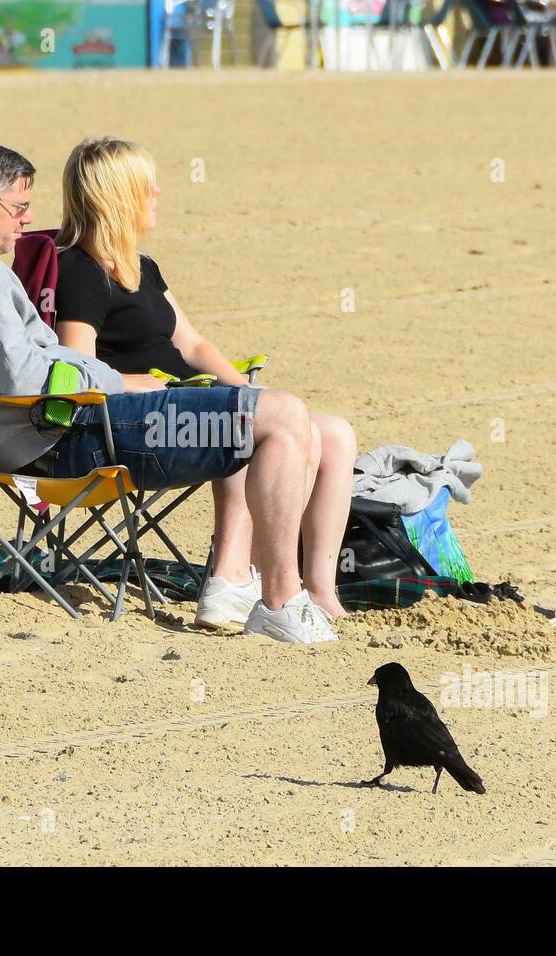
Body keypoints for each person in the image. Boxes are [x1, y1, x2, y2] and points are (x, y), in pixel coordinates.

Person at [0, 139, 340, 644]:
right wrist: (116, 380)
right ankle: (279, 599)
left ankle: (253, 584)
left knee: (275, 415)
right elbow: (16, 375)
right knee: (277, 417)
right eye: (18, 207)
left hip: (55, 428)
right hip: (63, 439)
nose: (28, 218)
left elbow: (29, 361)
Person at [52, 137, 356, 628]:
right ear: (120, 198)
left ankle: (320, 590)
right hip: (130, 427)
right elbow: (76, 365)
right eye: (148, 188)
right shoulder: (78, 271)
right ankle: (232, 577)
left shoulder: (141, 267)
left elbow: (193, 346)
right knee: (244, 424)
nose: (159, 194)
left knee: (335, 434)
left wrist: (248, 391)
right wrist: (146, 386)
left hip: (183, 409)